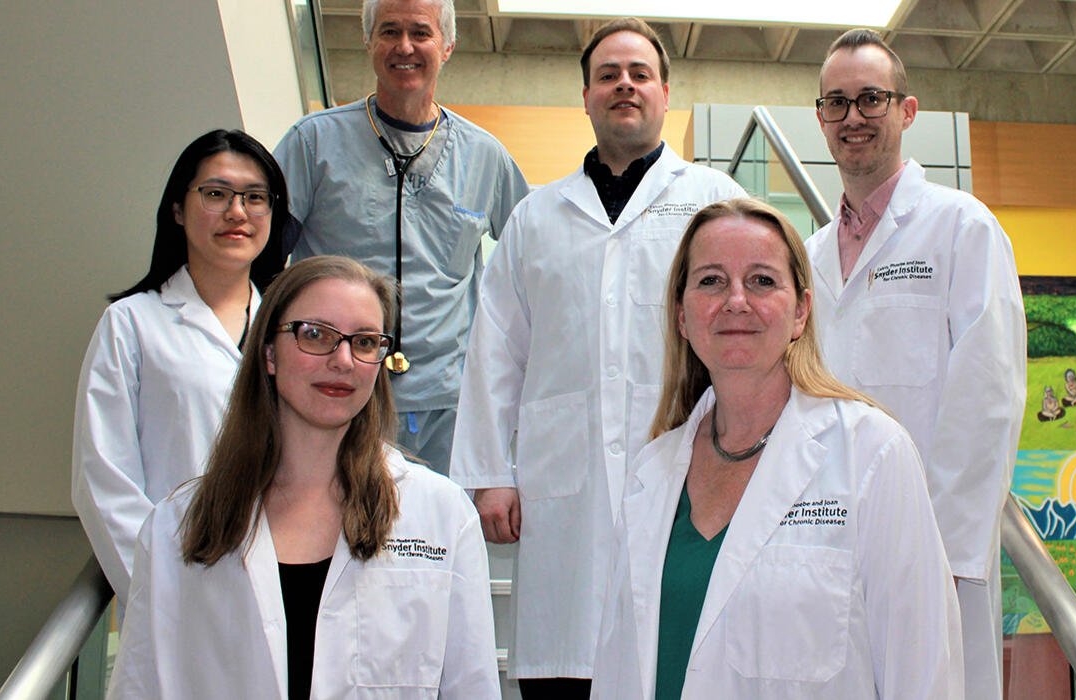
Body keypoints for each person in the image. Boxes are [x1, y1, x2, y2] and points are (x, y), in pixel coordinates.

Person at [449, 18, 745, 696]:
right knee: (567, 664)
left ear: (666, 93)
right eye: (608, 74)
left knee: (680, 660)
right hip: (565, 494)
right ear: (585, 96)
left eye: (640, 74)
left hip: (686, 465)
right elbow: (496, 348)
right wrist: (491, 472)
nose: (625, 86)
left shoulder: (713, 202)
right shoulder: (537, 216)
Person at [591, 198, 963, 699]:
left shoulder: (871, 454)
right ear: (681, 315)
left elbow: (922, 676)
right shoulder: (651, 473)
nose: (736, 301)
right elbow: (617, 674)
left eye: (762, 280)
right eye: (711, 281)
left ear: (801, 312)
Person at [107, 256, 498, 699]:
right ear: (269, 354)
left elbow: (472, 687)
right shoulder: (176, 526)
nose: (344, 360)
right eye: (316, 335)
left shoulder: (443, 515)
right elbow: (141, 687)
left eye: (366, 341)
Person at [803, 28, 1027, 700]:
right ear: (819, 118)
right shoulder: (810, 257)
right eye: (836, 103)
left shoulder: (961, 227)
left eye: (871, 99)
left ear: (907, 110)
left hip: (934, 547)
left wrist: (946, 551)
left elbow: (989, 398)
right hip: (831, 540)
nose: (853, 118)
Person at [274, 0, 529, 472]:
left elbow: (535, 262)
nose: (405, 46)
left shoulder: (484, 157)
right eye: (389, 32)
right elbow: (261, 267)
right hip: (337, 390)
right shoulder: (313, 144)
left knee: (442, 538)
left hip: (449, 403)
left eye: (421, 33)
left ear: (447, 45)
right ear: (368, 42)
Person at [72, 129, 288, 604]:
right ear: (177, 209)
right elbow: (104, 477)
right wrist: (158, 589)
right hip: (175, 586)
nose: (237, 211)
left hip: (284, 580)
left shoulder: (296, 328)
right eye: (216, 194)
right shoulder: (132, 323)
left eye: (255, 197)